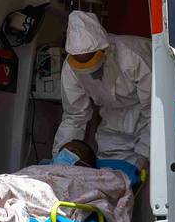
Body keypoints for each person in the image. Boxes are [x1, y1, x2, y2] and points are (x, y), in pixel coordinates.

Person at [53, 11, 152, 170]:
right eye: (80, 62)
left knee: (146, 177)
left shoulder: (133, 56)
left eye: (90, 59)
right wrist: (60, 157)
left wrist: (145, 153)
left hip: (146, 119)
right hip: (111, 123)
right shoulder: (70, 68)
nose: (88, 70)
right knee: (110, 176)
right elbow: (74, 116)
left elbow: (156, 111)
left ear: (104, 50)